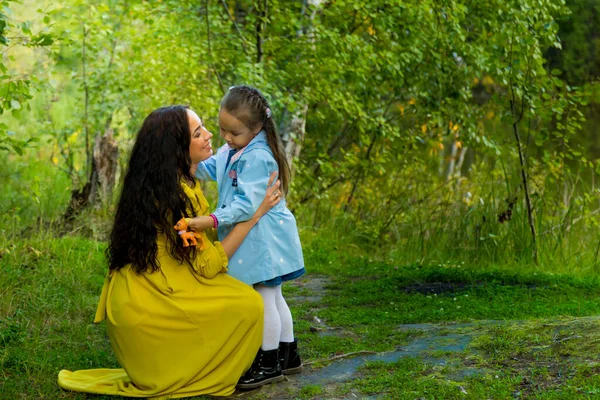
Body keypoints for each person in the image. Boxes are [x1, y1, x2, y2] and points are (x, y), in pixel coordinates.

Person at [57, 105, 282, 398]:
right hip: (149, 311)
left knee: (237, 295)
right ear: (177, 147)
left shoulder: (164, 184)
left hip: (141, 299)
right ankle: (197, 369)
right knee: (249, 304)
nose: (210, 135)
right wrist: (254, 214)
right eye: (198, 132)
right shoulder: (176, 197)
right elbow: (208, 266)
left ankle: (205, 358)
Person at [194, 85, 305, 389]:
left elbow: (247, 204)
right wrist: (186, 163)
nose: (227, 137)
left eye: (234, 132)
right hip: (262, 235)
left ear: (257, 128)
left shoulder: (258, 157)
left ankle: (268, 362)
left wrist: (213, 219)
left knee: (265, 297)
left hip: (264, 237)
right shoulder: (234, 149)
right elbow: (212, 169)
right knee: (273, 295)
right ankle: (288, 353)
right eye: (222, 129)